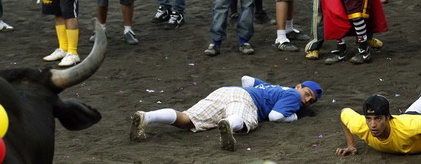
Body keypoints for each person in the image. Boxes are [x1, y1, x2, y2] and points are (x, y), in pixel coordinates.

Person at [129, 76, 322, 152]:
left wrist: (266, 92)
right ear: (298, 87)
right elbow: (275, 116)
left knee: (187, 119)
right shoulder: (293, 97)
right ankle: (229, 123)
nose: (306, 101)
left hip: (225, 91)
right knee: (245, 119)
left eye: (310, 100)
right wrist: (297, 116)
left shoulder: (276, 88)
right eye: (307, 94)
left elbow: (246, 79)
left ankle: (148, 116)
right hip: (245, 99)